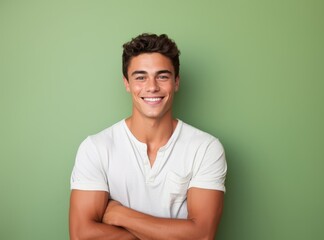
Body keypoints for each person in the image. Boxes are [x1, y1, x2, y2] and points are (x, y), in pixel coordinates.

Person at [69, 33, 227, 240]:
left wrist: (120, 214)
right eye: (140, 77)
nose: (152, 86)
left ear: (176, 82)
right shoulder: (96, 147)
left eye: (162, 76)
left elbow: (201, 236)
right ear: (127, 83)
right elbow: (82, 236)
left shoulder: (206, 148)